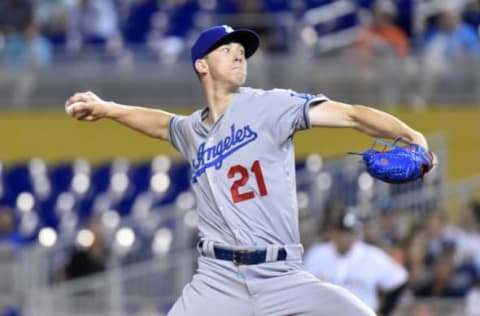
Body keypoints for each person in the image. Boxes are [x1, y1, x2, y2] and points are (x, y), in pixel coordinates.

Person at [65, 24, 432, 316]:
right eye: (228, 50)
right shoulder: (192, 131)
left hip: (282, 275)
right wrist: (109, 109)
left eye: (243, 51)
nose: (240, 54)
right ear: (201, 65)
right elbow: (162, 124)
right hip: (217, 279)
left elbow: (351, 115)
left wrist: (410, 133)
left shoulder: (271, 105)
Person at [304, 209, 408, 316]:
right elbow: (303, 288)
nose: (344, 237)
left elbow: (399, 279)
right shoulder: (317, 254)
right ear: (333, 233)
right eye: (341, 232)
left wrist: (384, 311)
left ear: (355, 234)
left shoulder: (371, 255)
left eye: (348, 233)